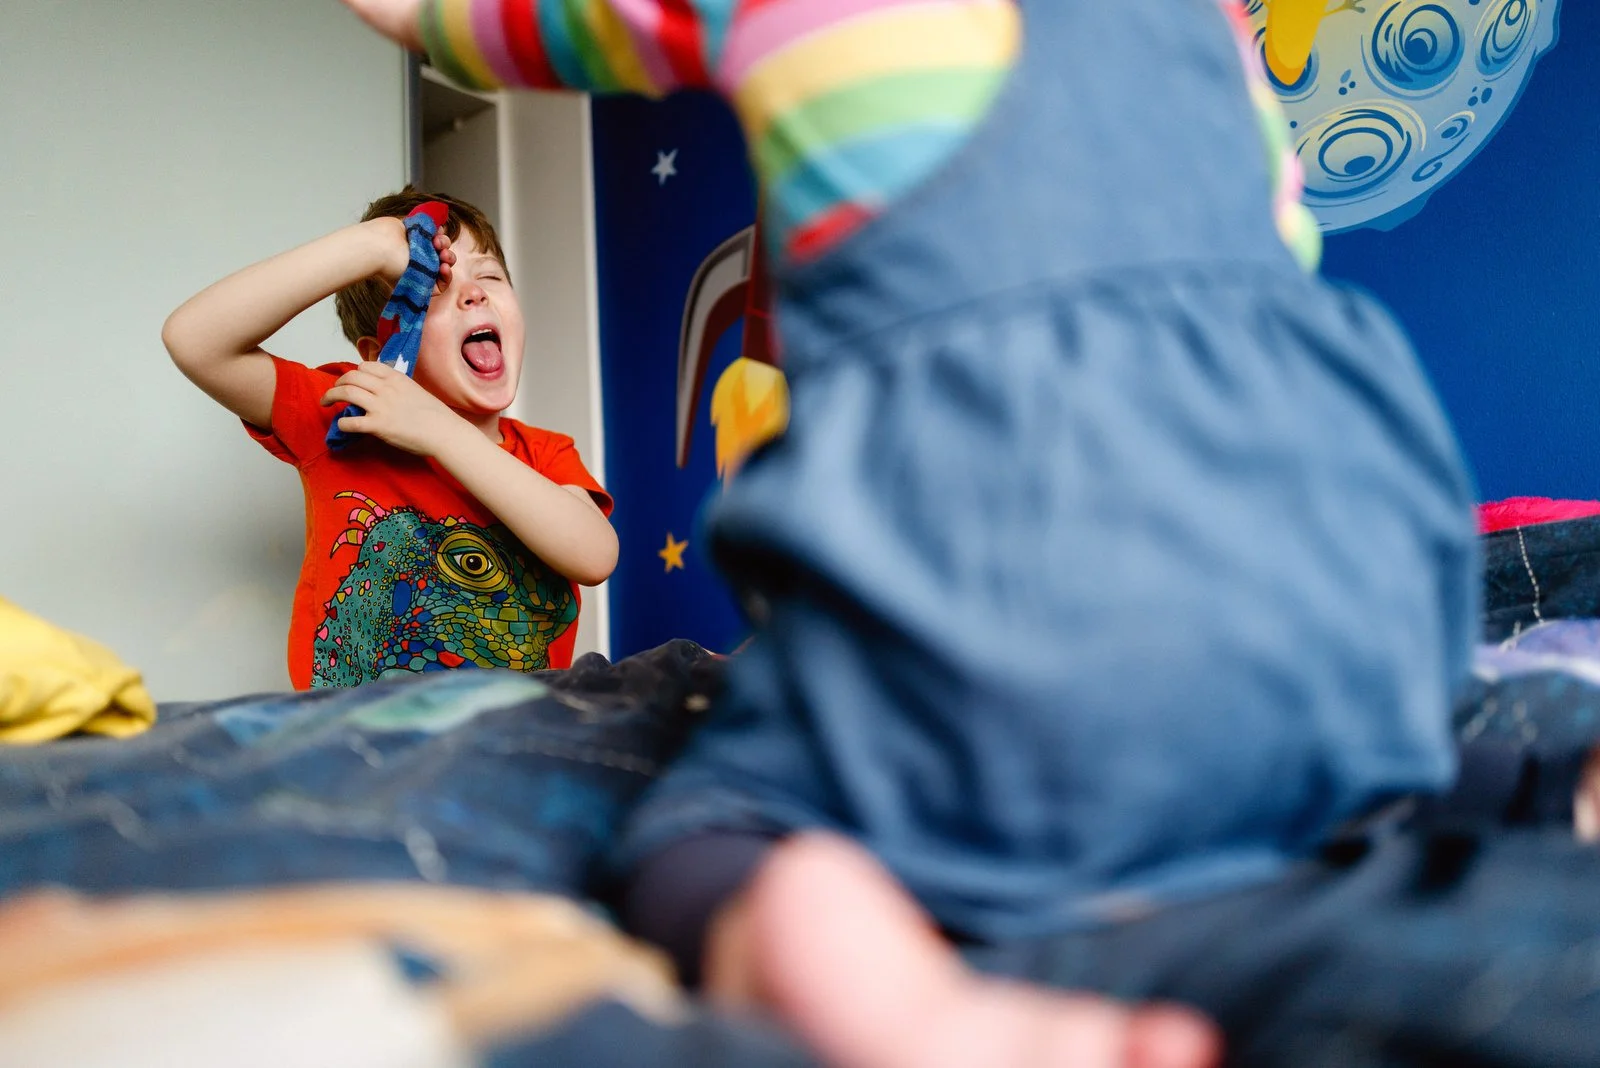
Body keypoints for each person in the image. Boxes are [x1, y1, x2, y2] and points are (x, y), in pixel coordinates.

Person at [338, 3, 1600, 1066]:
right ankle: (1544, 785)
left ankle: (855, 967)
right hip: (1336, 527)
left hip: (1001, 531)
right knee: (1350, 750)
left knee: (702, 831)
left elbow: (444, 20)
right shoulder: (1211, 31)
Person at [163, 188, 616, 689]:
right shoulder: (352, 412)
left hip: (507, 743)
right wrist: (375, 246)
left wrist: (439, 430)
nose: (474, 292)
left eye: (489, 275)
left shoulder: (545, 454)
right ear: (383, 355)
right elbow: (193, 340)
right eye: (435, 290)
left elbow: (594, 556)